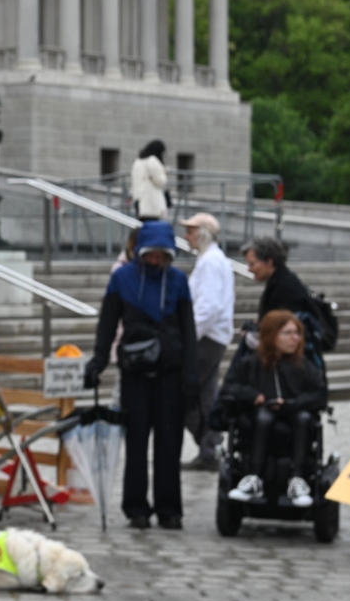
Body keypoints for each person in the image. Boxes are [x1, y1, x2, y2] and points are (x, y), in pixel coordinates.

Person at [87, 220, 196, 528]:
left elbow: (188, 329)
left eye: (162, 255)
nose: (156, 260)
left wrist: (191, 376)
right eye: (151, 254)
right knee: (135, 442)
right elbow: (108, 323)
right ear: (141, 252)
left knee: (169, 442)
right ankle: (136, 507)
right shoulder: (122, 279)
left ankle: (169, 508)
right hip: (135, 372)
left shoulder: (177, 280)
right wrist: (98, 360)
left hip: (169, 374)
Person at [219, 311, 328, 508]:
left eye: (297, 333)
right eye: (287, 333)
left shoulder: (304, 365)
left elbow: (319, 394)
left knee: (303, 418)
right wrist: (252, 395)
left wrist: (291, 403)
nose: (295, 338)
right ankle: (254, 476)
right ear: (271, 335)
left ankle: (297, 478)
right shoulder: (252, 362)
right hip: (260, 418)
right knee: (263, 417)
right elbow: (229, 387)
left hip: (295, 416)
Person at [182, 212, 234, 470]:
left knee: (187, 394)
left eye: (191, 232)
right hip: (211, 336)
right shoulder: (212, 260)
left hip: (206, 338)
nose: (186, 237)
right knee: (206, 393)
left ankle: (209, 446)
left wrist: (189, 338)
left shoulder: (211, 262)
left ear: (202, 233)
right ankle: (210, 447)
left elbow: (208, 308)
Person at [129, 140, 168, 220]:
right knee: (153, 228)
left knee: (142, 228)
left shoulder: (138, 162)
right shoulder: (152, 161)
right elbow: (161, 181)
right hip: (151, 204)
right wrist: (164, 173)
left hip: (138, 201)